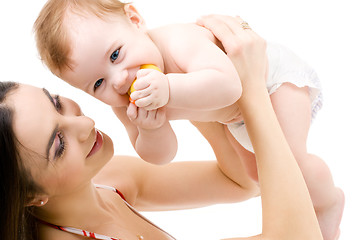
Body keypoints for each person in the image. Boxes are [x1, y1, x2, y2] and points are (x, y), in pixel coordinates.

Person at [34, 1, 343, 239]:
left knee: (289, 163)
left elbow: (230, 85)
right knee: (259, 174)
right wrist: (150, 127)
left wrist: (170, 89)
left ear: (135, 20)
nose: (117, 81)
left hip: (272, 82)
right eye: (97, 84)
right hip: (239, 115)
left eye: (115, 55)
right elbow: (161, 155)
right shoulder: (125, 99)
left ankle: (328, 202)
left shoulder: (177, 41)